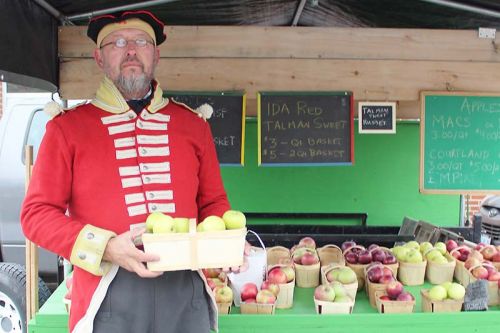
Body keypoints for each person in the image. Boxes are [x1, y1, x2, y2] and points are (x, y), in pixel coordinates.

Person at [21, 10, 240, 333]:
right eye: (118, 42)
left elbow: (214, 204)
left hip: (185, 291)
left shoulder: (192, 125)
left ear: (156, 54)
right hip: (107, 290)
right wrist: (106, 246)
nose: (131, 51)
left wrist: (226, 240)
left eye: (141, 42)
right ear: (99, 57)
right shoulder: (67, 129)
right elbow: (36, 214)